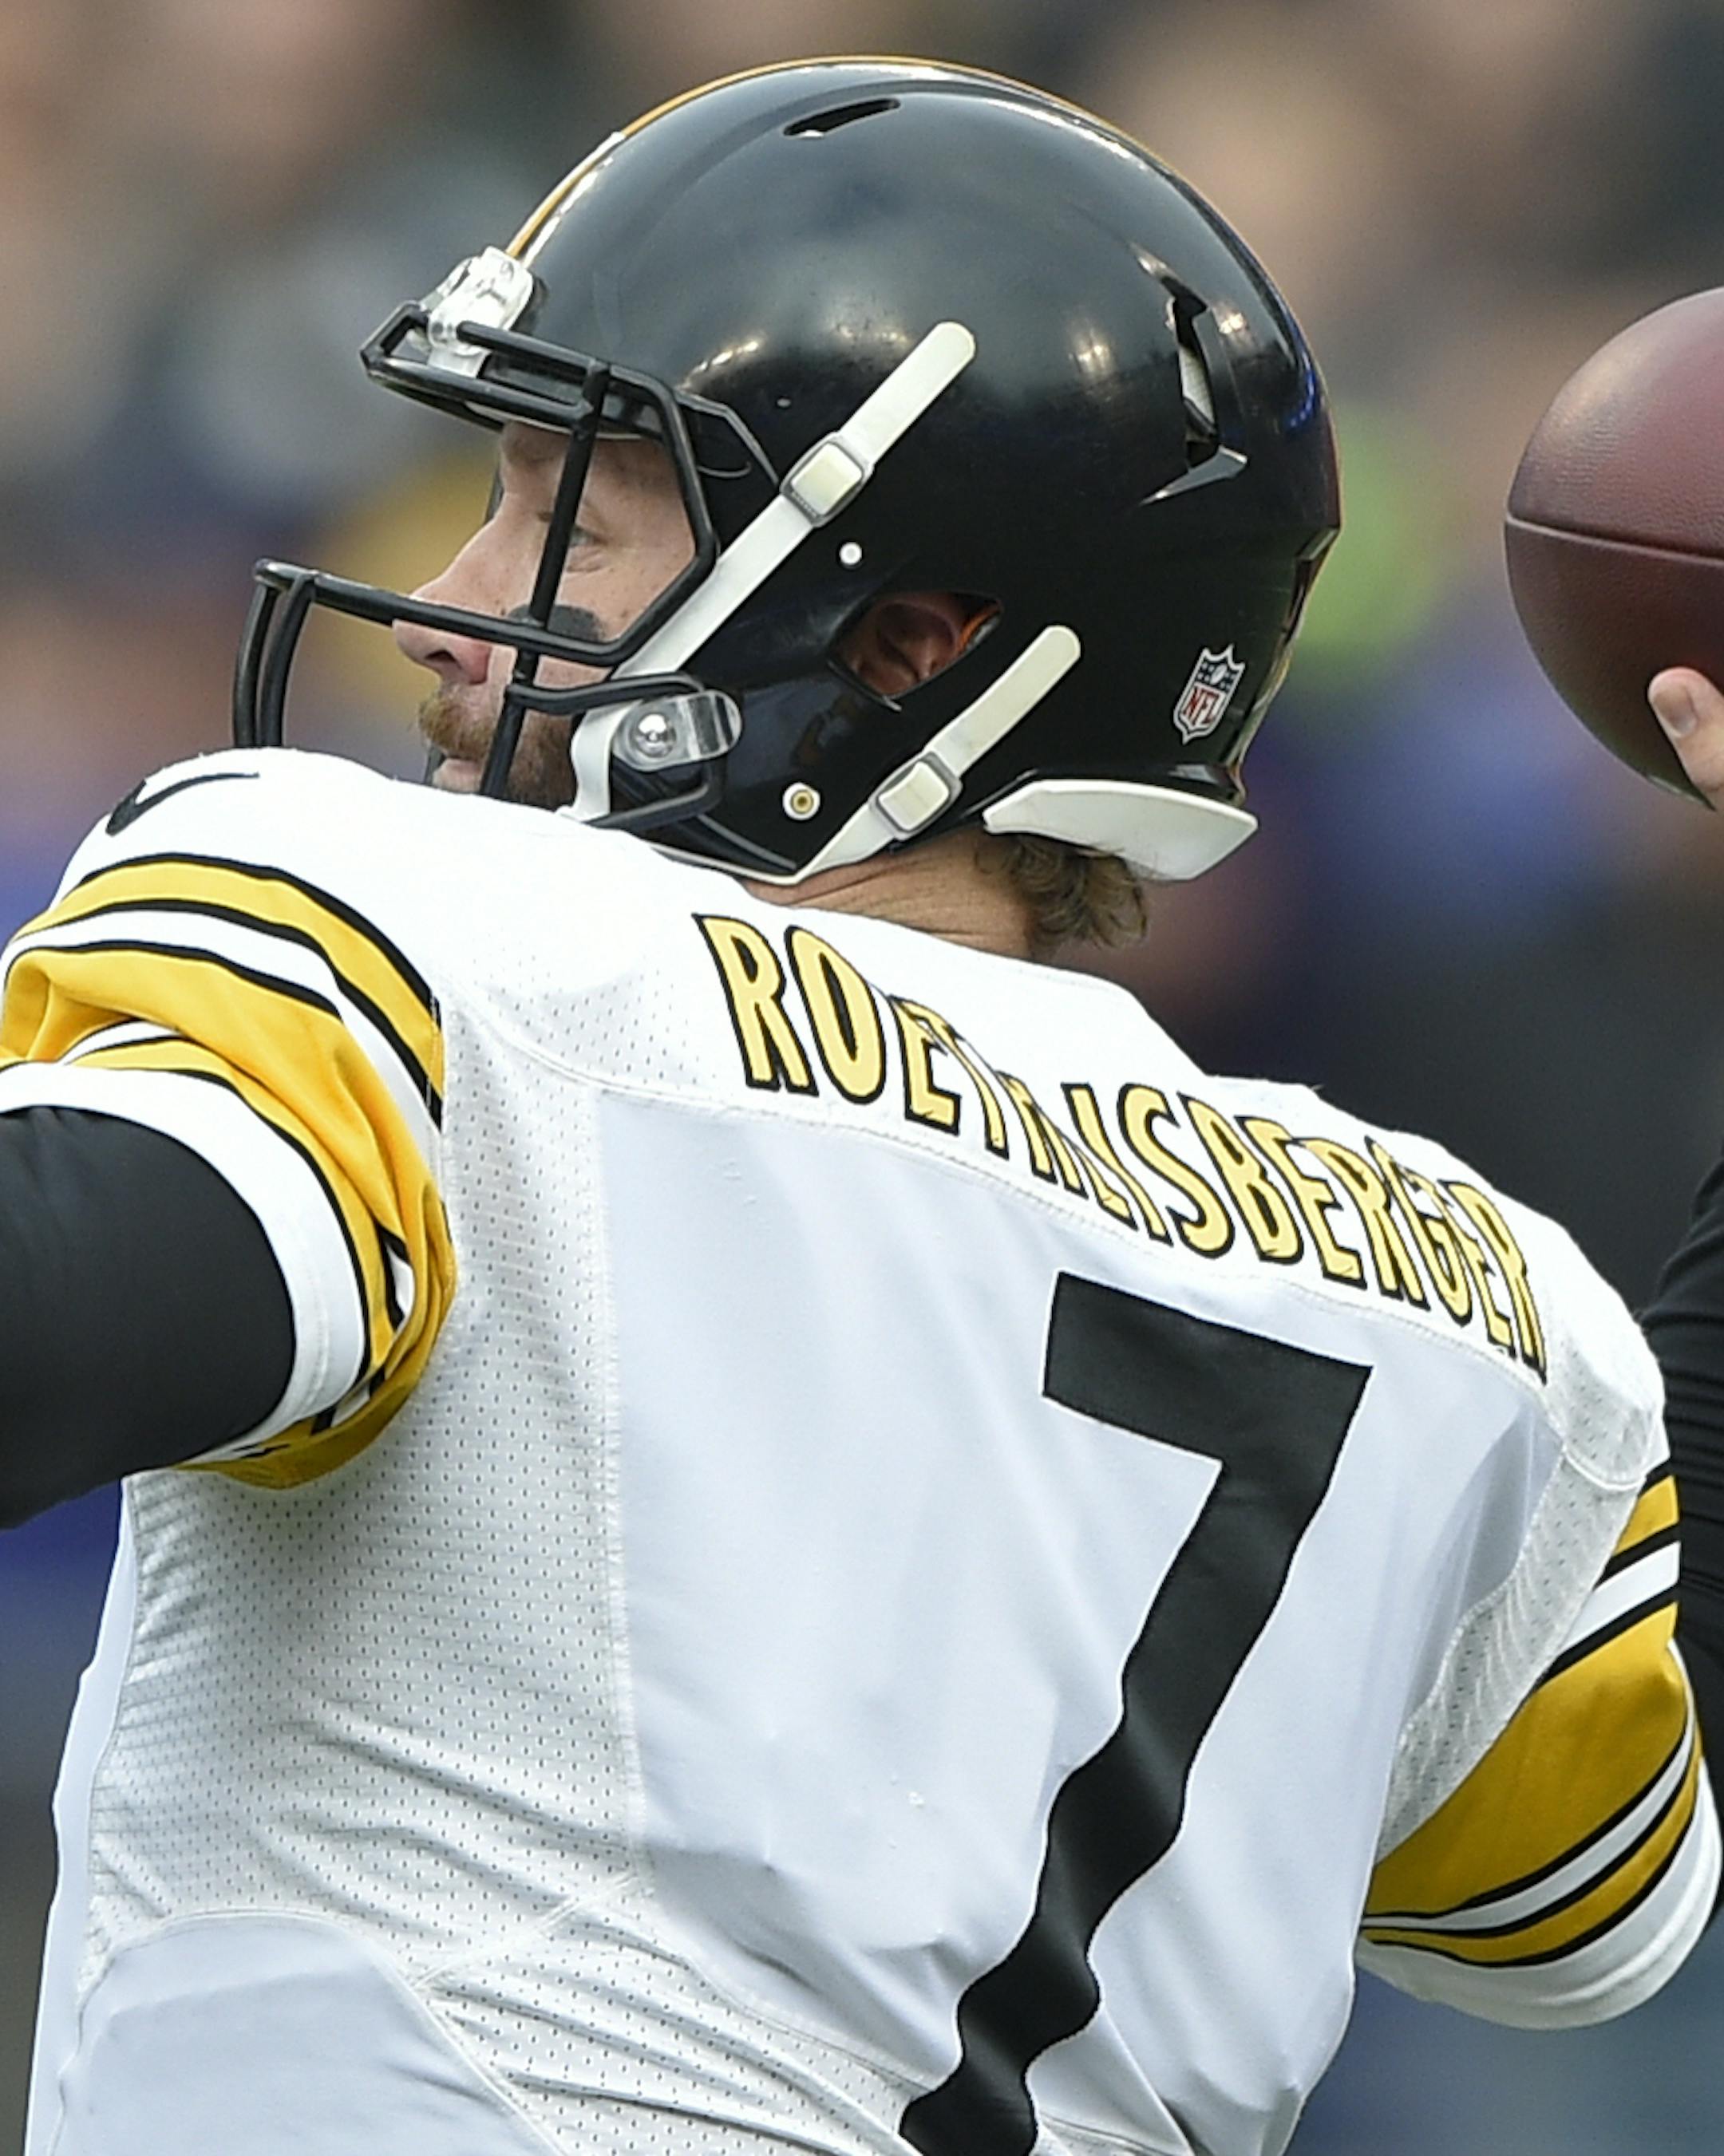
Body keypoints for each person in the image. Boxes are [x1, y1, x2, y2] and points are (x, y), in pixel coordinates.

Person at [2, 58, 1717, 2156]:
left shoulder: (474, 954)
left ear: (908, 641)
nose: (452, 605)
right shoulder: (1466, 1304)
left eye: (568, 513)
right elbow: (1585, 1877)